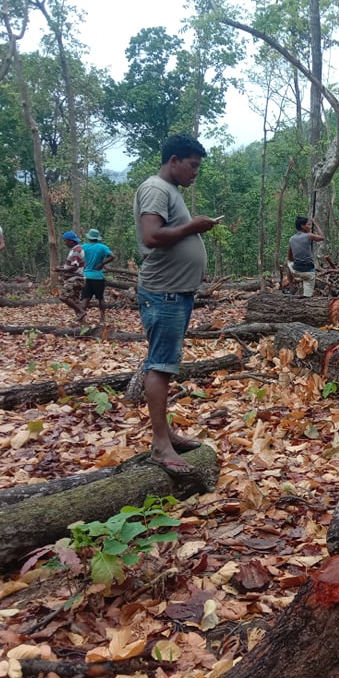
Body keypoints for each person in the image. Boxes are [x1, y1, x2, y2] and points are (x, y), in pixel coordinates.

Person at [134, 133, 219, 474]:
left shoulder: (170, 191)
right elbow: (151, 235)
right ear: (174, 161)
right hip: (164, 292)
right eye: (192, 165)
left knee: (165, 364)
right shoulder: (156, 189)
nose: (195, 172)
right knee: (160, 365)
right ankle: (160, 445)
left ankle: (165, 433)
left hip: (175, 292)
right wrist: (192, 226)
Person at [78, 228, 115, 323]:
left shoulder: (83, 247)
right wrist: (102, 264)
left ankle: (81, 318)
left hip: (86, 276)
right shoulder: (102, 247)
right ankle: (102, 318)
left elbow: (77, 258)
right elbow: (113, 256)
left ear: (89, 237)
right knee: (100, 298)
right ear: (97, 238)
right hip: (98, 277)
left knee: (85, 298)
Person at [286, 215, 325, 297]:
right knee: (307, 298)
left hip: (296, 271)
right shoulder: (309, 235)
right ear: (302, 226)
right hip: (309, 272)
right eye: (308, 225)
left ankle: (291, 289)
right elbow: (322, 237)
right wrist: (316, 223)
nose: (310, 227)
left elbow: (290, 257)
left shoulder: (291, 239)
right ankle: (305, 295)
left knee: (288, 264)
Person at [54, 231, 85, 321]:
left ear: (71, 241)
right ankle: (82, 321)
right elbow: (72, 265)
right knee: (75, 300)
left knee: (63, 296)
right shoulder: (77, 249)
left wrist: (61, 270)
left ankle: (81, 312)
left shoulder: (76, 251)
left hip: (74, 279)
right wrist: (61, 267)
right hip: (78, 278)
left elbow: (74, 267)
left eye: (66, 241)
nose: (65, 243)